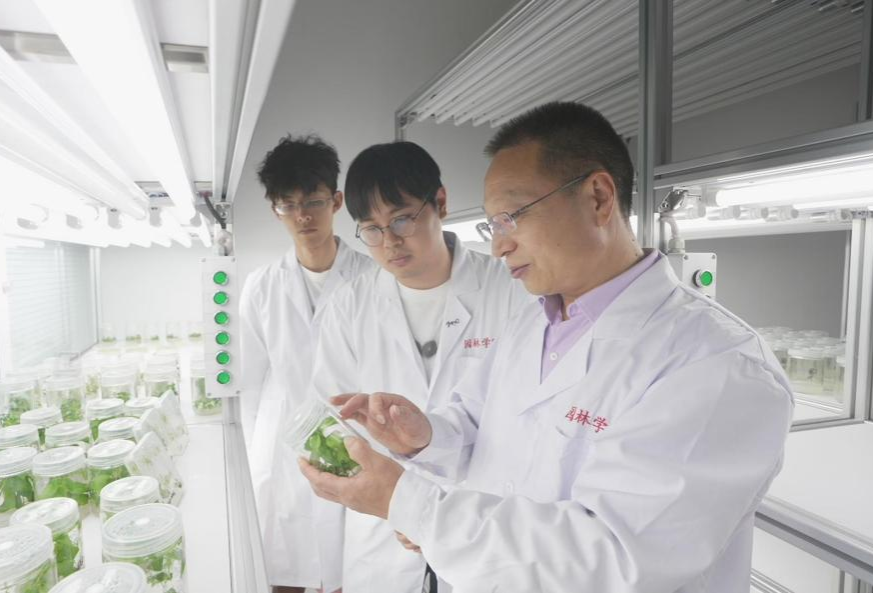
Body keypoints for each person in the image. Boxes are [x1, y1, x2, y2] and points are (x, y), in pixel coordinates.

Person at [299, 102, 794, 593]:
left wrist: (411, 504)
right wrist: (424, 435)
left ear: (598, 198)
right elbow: (477, 424)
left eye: (512, 217)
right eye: (492, 225)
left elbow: (613, 559)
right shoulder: (531, 322)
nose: (499, 246)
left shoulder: (718, 365)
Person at [306, 140, 530, 593]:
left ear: (440, 203)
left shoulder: (511, 289)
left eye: (402, 220)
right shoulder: (349, 307)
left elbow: (525, 419)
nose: (389, 242)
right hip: (383, 530)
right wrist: (397, 503)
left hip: (482, 518)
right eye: (371, 230)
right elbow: (332, 419)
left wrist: (434, 513)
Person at [239, 134, 376, 593]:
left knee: (348, 571)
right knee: (284, 569)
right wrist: (255, 455)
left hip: (353, 438)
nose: (302, 216)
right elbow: (250, 383)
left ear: (336, 201)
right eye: (288, 204)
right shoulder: (261, 287)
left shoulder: (373, 277)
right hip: (281, 448)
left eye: (314, 201)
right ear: (274, 209)